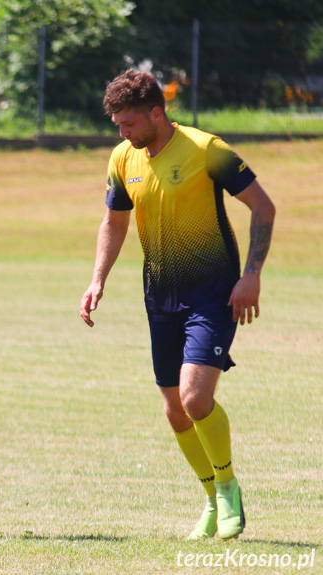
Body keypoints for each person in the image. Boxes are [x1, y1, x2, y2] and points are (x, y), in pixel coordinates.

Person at [80, 70, 275, 540]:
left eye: (128, 124)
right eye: (117, 126)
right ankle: (210, 498)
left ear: (156, 112)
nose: (122, 133)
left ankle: (228, 487)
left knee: (195, 398)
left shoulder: (207, 150)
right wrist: (97, 279)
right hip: (159, 295)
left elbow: (263, 208)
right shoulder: (122, 157)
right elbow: (115, 223)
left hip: (213, 292)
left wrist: (251, 276)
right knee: (174, 411)